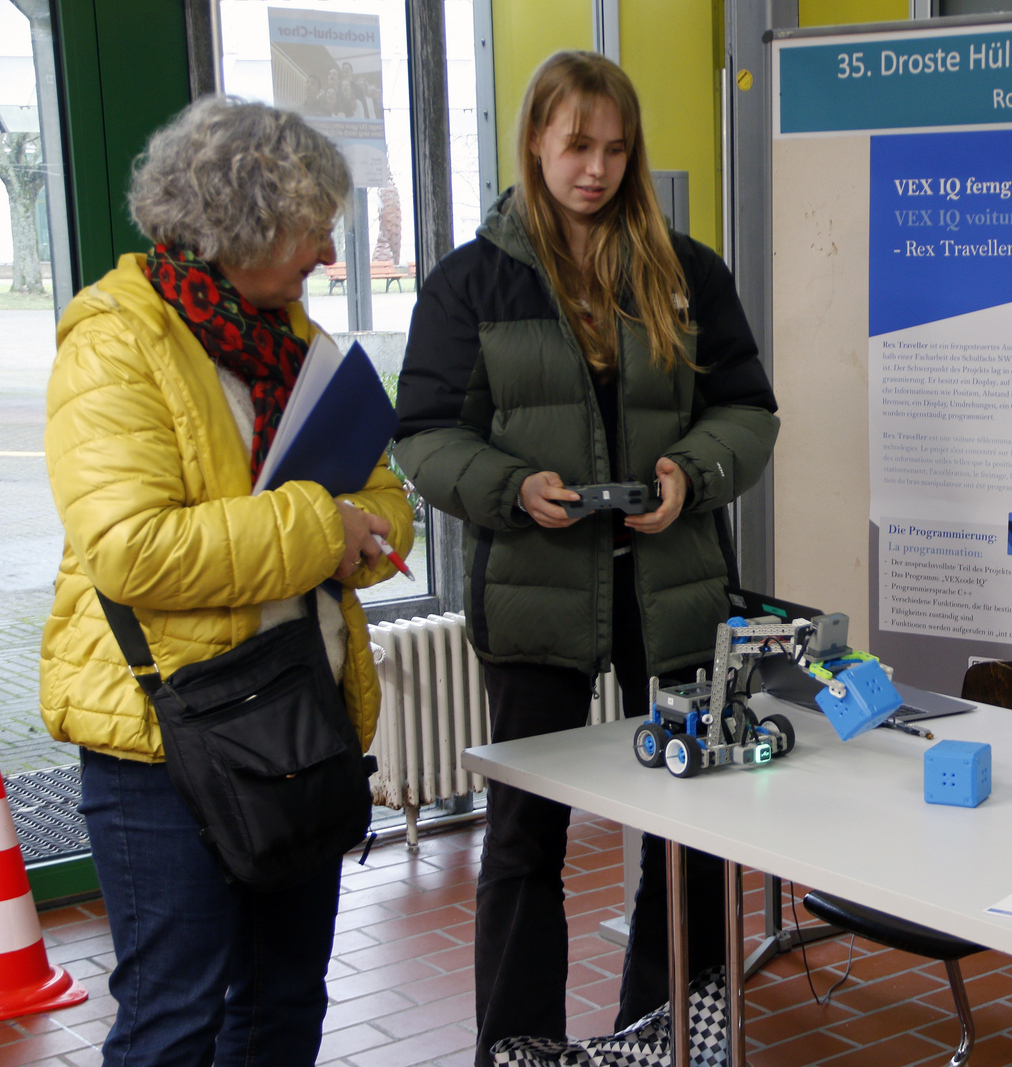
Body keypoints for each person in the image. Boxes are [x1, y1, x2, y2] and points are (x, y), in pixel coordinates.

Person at [393, 50, 778, 1064]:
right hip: (537, 598)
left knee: (688, 829)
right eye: (575, 145)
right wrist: (512, 487)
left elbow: (747, 410)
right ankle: (517, 1048)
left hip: (677, 592)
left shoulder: (686, 270)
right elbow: (425, 432)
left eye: (614, 147)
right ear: (533, 141)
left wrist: (691, 473)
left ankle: (670, 1039)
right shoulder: (470, 281)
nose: (596, 169)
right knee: (525, 839)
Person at [42, 96, 413, 1066]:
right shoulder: (116, 341)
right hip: (161, 739)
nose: (329, 256)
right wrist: (318, 528)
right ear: (240, 217)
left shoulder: (297, 339)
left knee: (284, 1003)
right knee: (175, 1020)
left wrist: (364, 531)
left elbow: (386, 499)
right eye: (314, 228)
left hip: (294, 714)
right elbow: (133, 549)